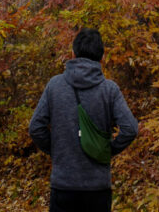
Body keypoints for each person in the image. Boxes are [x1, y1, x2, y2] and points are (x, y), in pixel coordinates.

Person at [29, 28, 139, 212]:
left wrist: (56, 151)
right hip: (97, 188)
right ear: (102, 57)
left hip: (63, 185)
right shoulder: (109, 90)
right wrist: (106, 150)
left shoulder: (54, 86)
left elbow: (35, 128)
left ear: (72, 54)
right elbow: (130, 129)